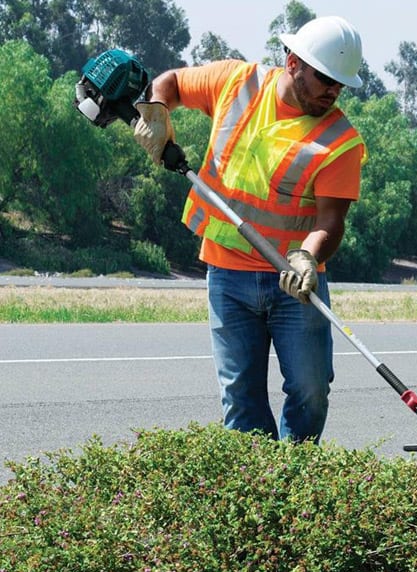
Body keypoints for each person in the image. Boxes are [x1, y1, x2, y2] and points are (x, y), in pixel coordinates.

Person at [133, 16, 367, 443]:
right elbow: (170, 83)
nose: (333, 91)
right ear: (293, 62)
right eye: (325, 78)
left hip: (294, 282)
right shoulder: (235, 82)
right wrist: (157, 113)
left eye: (340, 84)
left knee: (310, 391)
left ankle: (295, 479)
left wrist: (309, 256)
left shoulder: (341, 140)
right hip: (226, 275)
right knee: (241, 398)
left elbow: (331, 222)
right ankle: (257, 485)